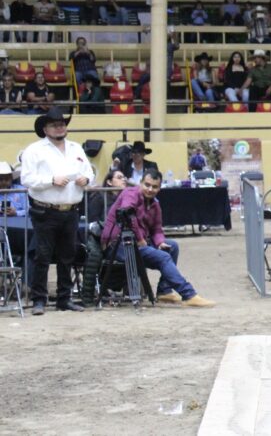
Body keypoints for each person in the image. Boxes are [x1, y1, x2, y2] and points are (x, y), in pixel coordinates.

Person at [100, 169, 215, 307]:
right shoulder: (130, 194)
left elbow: (157, 229)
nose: (150, 189)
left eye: (154, 187)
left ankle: (164, 292)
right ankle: (189, 294)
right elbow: (127, 216)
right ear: (140, 183)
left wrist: (159, 242)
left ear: (160, 188)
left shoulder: (155, 204)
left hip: (137, 244)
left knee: (171, 247)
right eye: (147, 185)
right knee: (163, 258)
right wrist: (140, 239)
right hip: (118, 244)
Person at [20, 107, 95, 314]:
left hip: (71, 209)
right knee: (42, 255)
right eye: (54, 125)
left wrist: (86, 179)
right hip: (45, 210)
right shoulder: (34, 150)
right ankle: (39, 300)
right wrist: (50, 181)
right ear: (45, 129)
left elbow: (90, 172)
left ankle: (64, 298)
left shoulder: (76, 148)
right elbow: (26, 179)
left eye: (62, 123)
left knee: (67, 256)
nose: (60, 127)